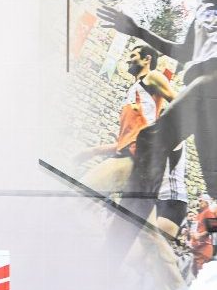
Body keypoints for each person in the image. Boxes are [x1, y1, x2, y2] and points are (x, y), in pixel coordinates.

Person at [97, 0, 217, 221]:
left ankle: (122, 235)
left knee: (153, 141)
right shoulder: (206, 1)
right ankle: (128, 228)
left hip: (210, 81)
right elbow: (185, 52)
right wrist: (138, 30)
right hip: (203, 87)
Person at [77, 45, 187, 234]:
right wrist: (93, 151)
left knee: (80, 195)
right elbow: (127, 139)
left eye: (133, 55)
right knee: (142, 237)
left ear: (147, 59)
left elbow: (178, 104)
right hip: (136, 158)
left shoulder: (152, 77)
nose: (128, 59)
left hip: (137, 156)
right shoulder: (134, 92)